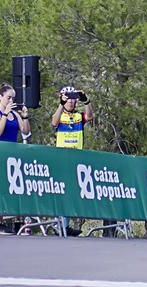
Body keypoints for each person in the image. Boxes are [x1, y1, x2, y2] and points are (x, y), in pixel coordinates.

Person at [51, 85, 95, 237]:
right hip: (61, 158)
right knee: (61, 192)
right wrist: (60, 104)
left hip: (76, 158)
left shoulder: (78, 116)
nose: (71, 102)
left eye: (73, 99)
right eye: (68, 98)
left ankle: (65, 225)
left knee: (71, 193)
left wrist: (86, 101)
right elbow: (54, 123)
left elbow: (89, 117)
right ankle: (57, 224)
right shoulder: (60, 113)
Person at [0, 83, 31, 234]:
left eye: (13, 98)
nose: (11, 100)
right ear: (1, 97)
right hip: (0, 153)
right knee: (0, 188)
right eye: (8, 97)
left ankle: (20, 221)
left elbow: (25, 132)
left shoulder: (16, 114)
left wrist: (25, 116)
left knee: (14, 186)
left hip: (13, 155)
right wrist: (5, 114)